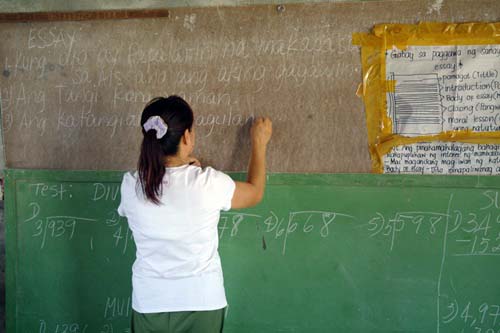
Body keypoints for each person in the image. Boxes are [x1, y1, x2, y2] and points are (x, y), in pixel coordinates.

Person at [117, 95, 272, 333]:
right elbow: (255, 192)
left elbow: (167, 196)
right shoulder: (208, 184)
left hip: (149, 301)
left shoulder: (131, 186)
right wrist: (259, 144)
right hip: (201, 301)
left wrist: (185, 170)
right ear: (187, 136)